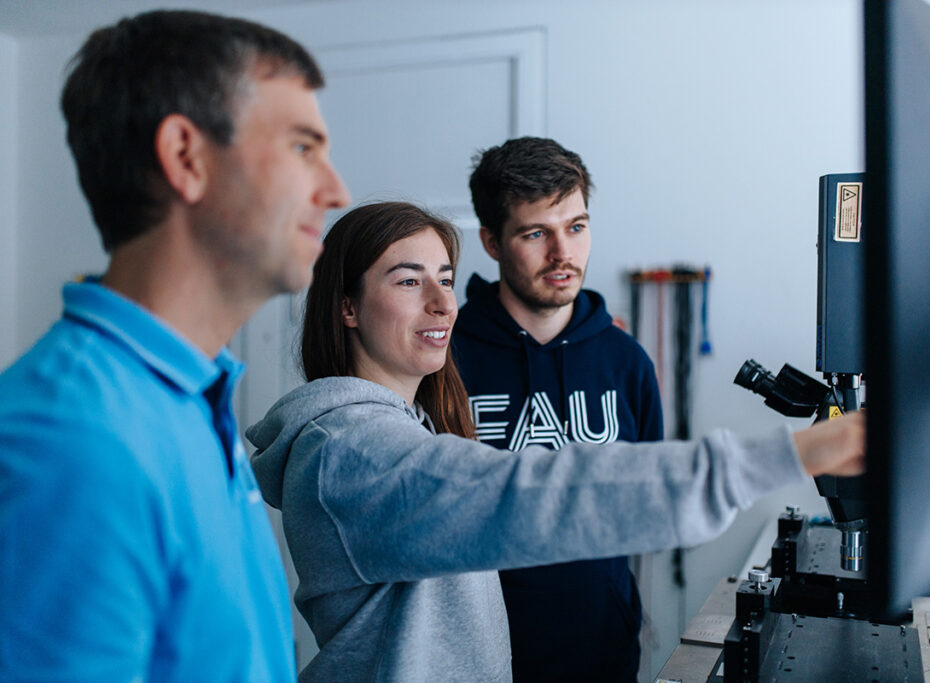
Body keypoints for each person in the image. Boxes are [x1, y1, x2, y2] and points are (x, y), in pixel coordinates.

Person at [246, 200, 864, 682]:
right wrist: (801, 451)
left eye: (446, 279)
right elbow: (528, 493)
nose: (442, 304)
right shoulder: (349, 451)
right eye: (409, 282)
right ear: (348, 307)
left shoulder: (406, 427)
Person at [0, 10, 348, 681]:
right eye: (304, 147)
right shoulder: (69, 440)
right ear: (186, 157)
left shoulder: (191, 399)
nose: (336, 190)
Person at [453, 136, 660, 681]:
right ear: (493, 242)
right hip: (477, 656)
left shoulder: (627, 361)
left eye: (576, 227)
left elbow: (647, 504)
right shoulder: (444, 362)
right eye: (535, 233)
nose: (562, 253)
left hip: (603, 651)